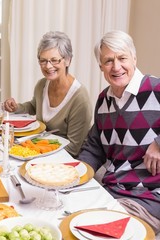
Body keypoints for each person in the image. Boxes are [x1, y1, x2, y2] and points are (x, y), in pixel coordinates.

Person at [79, 30, 160, 233]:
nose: (116, 67)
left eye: (122, 58)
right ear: (100, 67)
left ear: (134, 58)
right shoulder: (103, 100)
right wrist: (74, 175)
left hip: (149, 197)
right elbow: (94, 147)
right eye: (108, 61)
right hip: (112, 190)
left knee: (101, 232)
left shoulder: (156, 89)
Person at [4, 31, 92, 157]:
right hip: (39, 150)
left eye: (54, 60)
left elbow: (73, 148)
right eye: (43, 61)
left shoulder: (79, 98)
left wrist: (34, 153)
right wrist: (16, 107)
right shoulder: (42, 85)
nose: (48, 66)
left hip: (63, 159)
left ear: (68, 60)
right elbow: (34, 106)